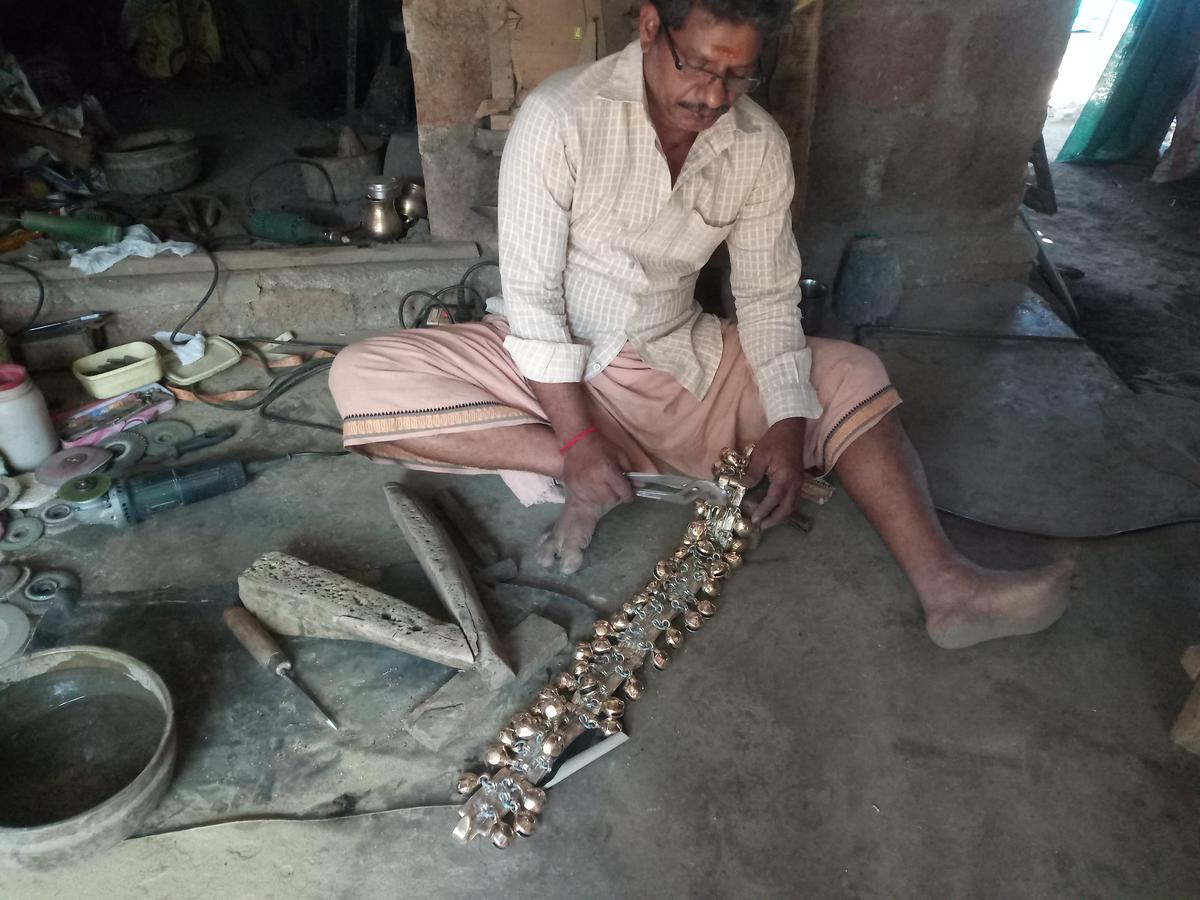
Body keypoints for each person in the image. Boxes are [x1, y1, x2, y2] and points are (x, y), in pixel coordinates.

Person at [329, 0, 1073, 649]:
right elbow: (532, 300)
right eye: (698, 67)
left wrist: (785, 424)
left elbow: (770, 299)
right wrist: (578, 440)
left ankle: (948, 587)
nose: (713, 96)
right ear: (652, 27)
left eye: (738, 76)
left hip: (679, 362)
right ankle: (580, 463)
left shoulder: (756, 147)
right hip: (546, 367)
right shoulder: (560, 118)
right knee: (357, 377)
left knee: (852, 373)